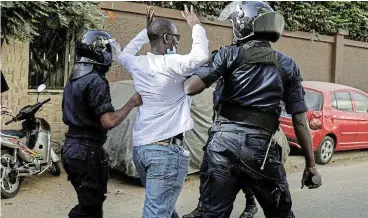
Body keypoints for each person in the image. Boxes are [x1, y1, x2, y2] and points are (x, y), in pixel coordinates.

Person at [184, 1, 322, 218]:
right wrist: (311, 165)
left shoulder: (229, 55)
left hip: (222, 145)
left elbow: (190, 88)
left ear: (242, 25)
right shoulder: (287, 64)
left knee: (212, 214)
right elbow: (300, 121)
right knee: (281, 214)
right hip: (261, 150)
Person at [115, 5, 209, 218]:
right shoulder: (172, 63)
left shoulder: (138, 64)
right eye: (176, 37)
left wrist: (145, 31)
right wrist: (196, 26)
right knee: (157, 212)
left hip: (141, 150)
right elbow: (201, 55)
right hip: (165, 153)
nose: (177, 42)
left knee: (163, 207)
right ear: (167, 38)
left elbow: (123, 54)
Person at [61, 30, 142, 218]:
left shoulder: (74, 78)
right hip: (87, 151)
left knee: (90, 204)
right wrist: (131, 103)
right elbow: (108, 121)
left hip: (70, 149)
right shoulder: (97, 82)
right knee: (90, 208)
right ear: (99, 53)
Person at [183, 50, 258, 218]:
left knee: (244, 173)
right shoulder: (219, 83)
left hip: (239, 134)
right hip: (217, 131)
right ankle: (202, 205)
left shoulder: (238, 81)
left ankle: (251, 204)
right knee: (205, 170)